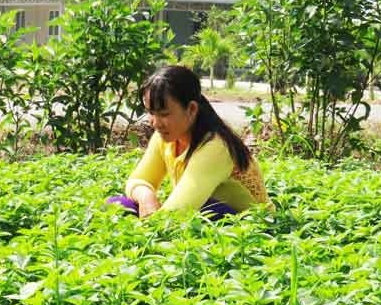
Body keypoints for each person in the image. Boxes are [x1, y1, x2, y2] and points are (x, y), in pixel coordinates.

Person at [108, 65, 272, 218]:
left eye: (164, 114)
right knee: (117, 204)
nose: (155, 123)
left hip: (247, 224)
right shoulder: (164, 137)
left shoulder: (216, 146)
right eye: (151, 112)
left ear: (192, 109)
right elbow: (138, 180)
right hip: (192, 209)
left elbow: (177, 214)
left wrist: (147, 225)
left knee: (207, 210)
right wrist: (146, 197)